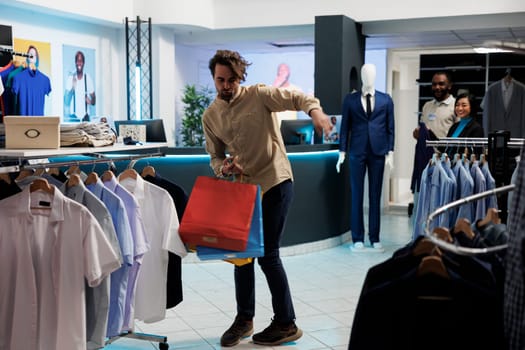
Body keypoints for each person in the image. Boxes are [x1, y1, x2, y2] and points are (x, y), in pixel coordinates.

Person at [202, 49, 332, 347]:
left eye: (231, 79)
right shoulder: (210, 115)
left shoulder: (259, 95)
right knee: (241, 256)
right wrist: (224, 167)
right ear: (214, 79)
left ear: (240, 77)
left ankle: (286, 323)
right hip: (243, 190)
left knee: (268, 255)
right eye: (220, 80)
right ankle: (244, 319)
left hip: (275, 181)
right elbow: (214, 157)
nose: (226, 86)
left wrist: (315, 111)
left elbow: (298, 99)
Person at [336, 63, 395, 252]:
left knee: (375, 195)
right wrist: (342, 152)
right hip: (356, 152)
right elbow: (345, 128)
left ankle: (375, 237)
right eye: (365, 74)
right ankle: (357, 238)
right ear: (361, 76)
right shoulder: (350, 100)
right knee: (357, 195)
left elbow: (390, 128)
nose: (368, 77)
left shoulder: (386, 100)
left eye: (371, 74)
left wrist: (390, 153)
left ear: (376, 76)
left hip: (378, 152)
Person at [412, 71, 456, 140]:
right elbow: (422, 129)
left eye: (441, 84)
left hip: (445, 150)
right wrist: (417, 133)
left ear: (449, 86)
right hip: (425, 150)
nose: (437, 87)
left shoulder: (456, 106)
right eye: (434, 84)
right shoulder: (427, 106)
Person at [64, 50, 96, 122]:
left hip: (86, 118)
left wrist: (91, 101)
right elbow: (66, 102)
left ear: (83, 63)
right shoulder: (70, 78)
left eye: (81, 61)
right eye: (77, 61)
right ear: (75, 62)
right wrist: (72, 88)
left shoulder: (87, 78)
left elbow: (94, 101)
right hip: (74, 118)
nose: (79, 63)